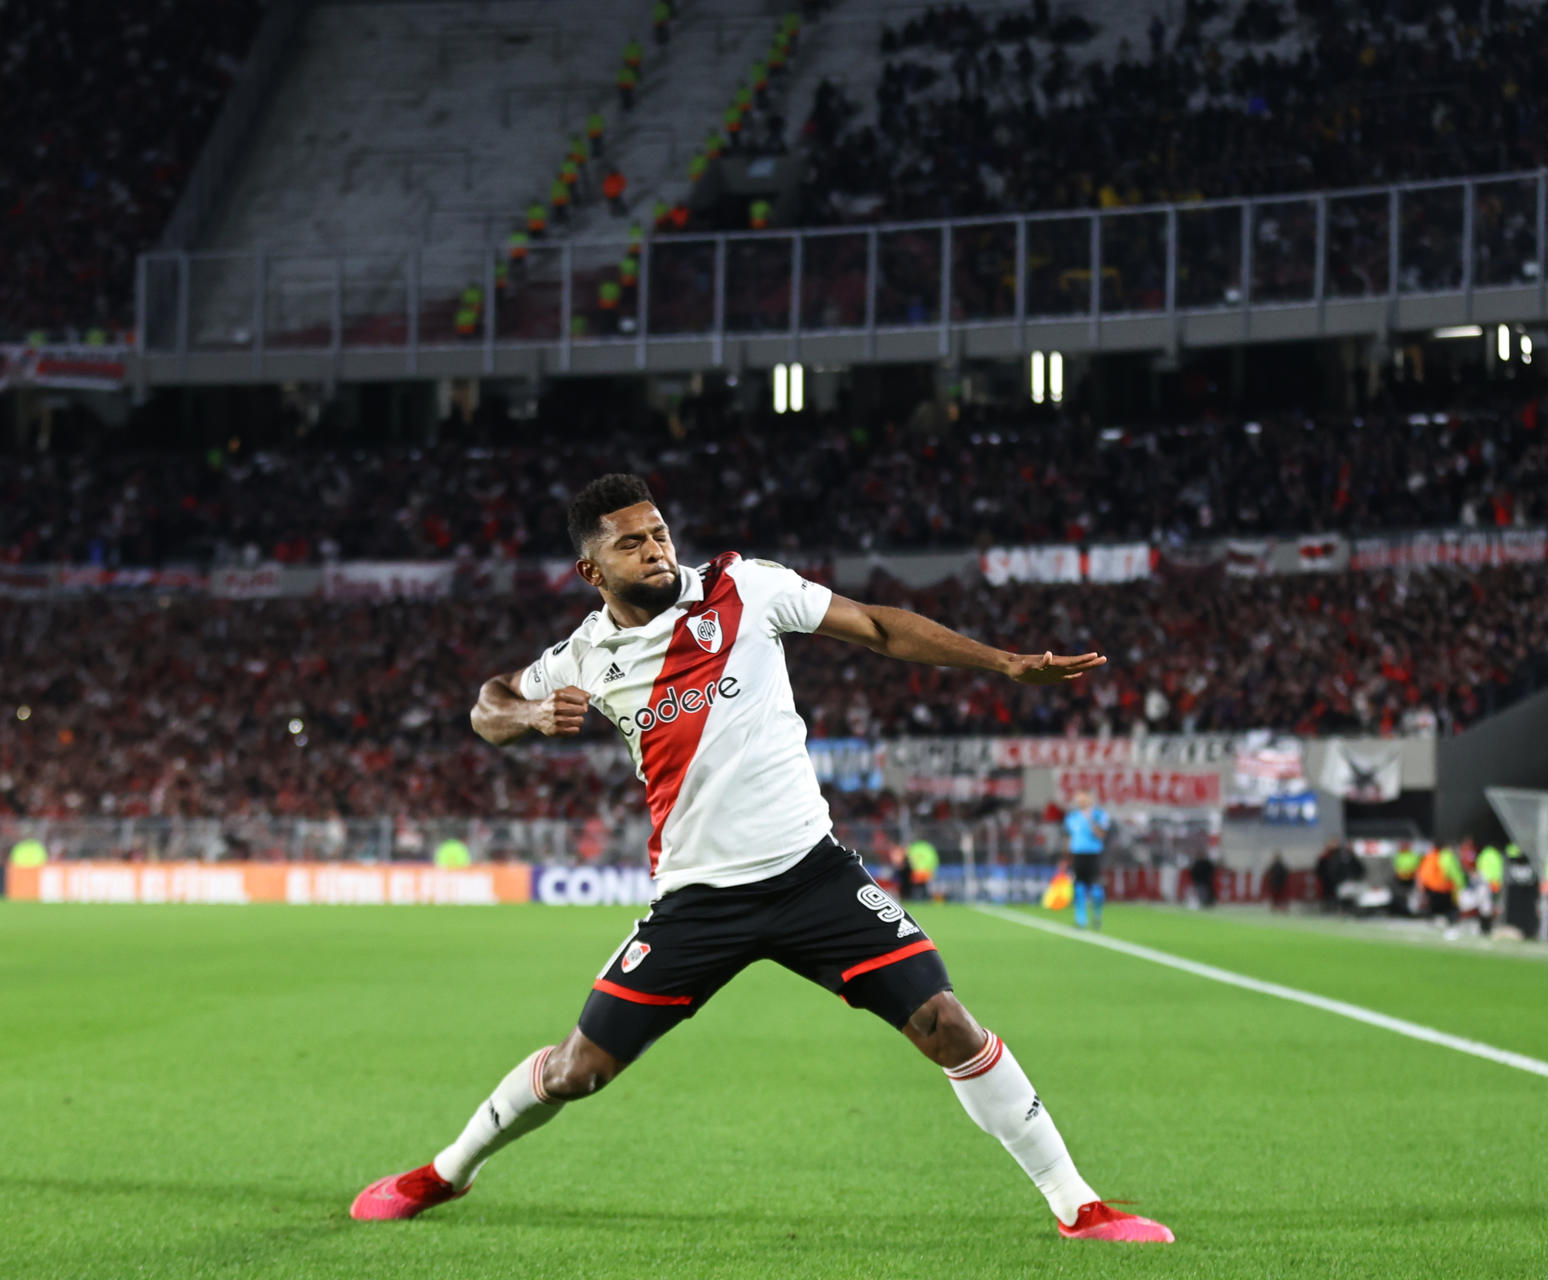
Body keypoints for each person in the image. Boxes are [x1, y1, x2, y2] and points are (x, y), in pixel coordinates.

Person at [350, 474, 1172, 1243]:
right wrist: (529, 716)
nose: (656, 549)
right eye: (632, 543)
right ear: (589, 569)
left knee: (945, 1021)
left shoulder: (747, 589)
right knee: (577, 1069)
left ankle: (1078, 1203)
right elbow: (485, 705)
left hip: (813, 876)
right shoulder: (584, 656)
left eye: (660, 532)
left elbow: (881, 626)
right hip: (699, 900)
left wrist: (1005, 663)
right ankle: (445, 1173)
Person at [1061, 791, 1111, 929]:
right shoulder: (1072, 818)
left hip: (1093, 855)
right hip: (1078, 855)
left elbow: (1101, 835)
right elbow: (1069, 838)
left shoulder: (1099, 815)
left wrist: (1090, 821)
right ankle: (1080, 919)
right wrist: (1066, 857)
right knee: (1079, 888)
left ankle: (1097, 915)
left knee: (1096, 888)